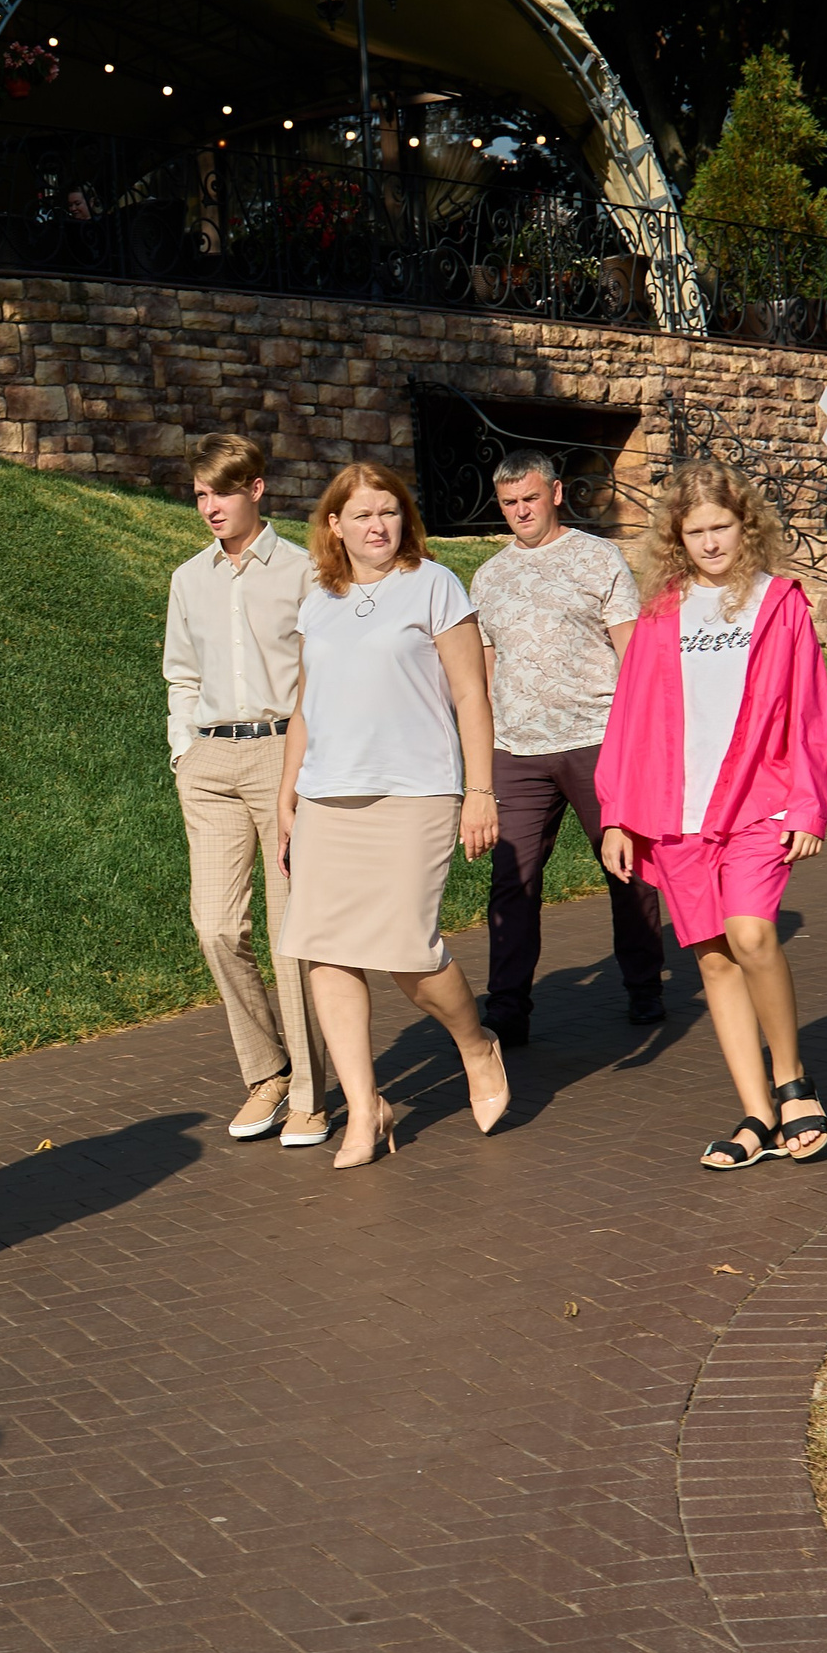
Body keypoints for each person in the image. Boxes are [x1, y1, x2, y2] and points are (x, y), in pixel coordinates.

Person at [596, 463, 827, 1167]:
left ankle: (794, 1083)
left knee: (751, 931)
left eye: (722, 527)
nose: (710, 542)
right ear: (678, 536)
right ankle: (757, 1114)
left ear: (748, 526)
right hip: (677, 811)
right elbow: (632, 718)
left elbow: (811, 710)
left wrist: (809, 802)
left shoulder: (779, 603)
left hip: (759, 801)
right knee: (711, 955)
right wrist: (618, 812)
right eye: (696, 530)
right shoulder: (661, 613)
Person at [276, 462, 511, 1169]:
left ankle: (477, 1044)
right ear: (334, 526)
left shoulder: (435, 586)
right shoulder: (317, 600)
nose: (378, 525)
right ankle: (365, 1107)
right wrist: (288, 796)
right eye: (363, 514)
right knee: (324, 949)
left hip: (416, 792)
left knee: (408, 948)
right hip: (326, 798)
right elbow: (304, 708)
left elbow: (473, 694)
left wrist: (481, 790)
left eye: (389, 511)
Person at [163, 432, 332, 1146]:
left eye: (222, 492)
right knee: (215, 924)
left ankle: (309, 1095)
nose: (210, 507)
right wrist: (183, 752)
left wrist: (305, 771)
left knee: (292, 931)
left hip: (280, 760)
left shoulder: (302, 571)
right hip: (210, 764)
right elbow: (182, 672)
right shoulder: (188, 578)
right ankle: (266, 1069)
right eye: (200, 494)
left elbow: (322, 677)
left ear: (257, 489)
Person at [469, 448, 665, 1045]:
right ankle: (507, 1007)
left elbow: (635, 660)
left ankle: (643, 985)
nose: (521, 511)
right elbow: (482, 673)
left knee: (627, 868)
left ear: (555, 493)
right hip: (516, 751)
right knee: (513, 879)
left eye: (530, 498)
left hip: (597, 740)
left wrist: (636, 747)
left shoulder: (597, 558)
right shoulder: (488, 576)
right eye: (509, 504)